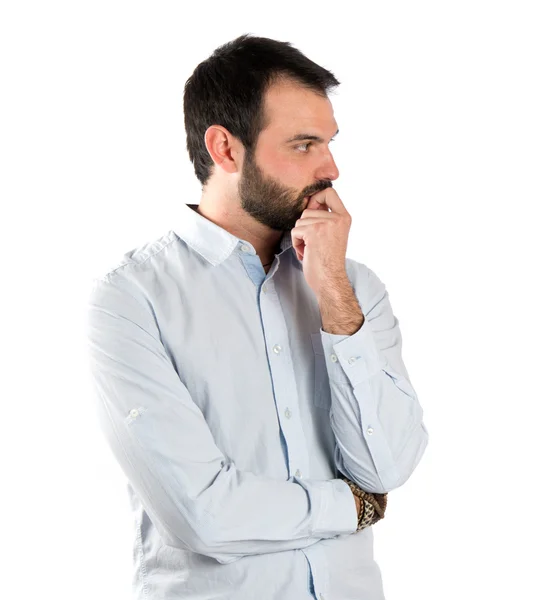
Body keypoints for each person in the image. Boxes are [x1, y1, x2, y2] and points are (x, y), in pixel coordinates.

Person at [85, 33, 429, 600]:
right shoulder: (131, 301)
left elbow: (385, 467)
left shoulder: (355, 285)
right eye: (303, 145)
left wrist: (335, 299)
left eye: (330, 142)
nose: (332, 168)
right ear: (225, 149)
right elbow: (204, 515)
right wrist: (351, 507)